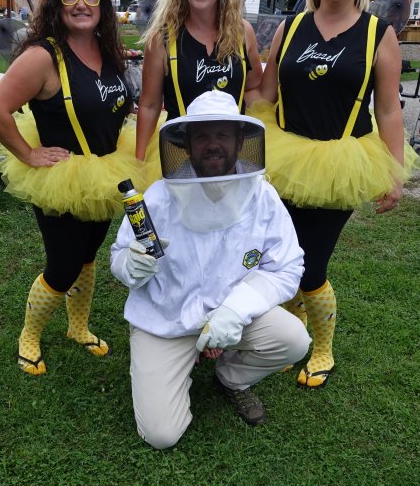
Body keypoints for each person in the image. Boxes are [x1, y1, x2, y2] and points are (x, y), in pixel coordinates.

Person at [255, 0, 420, 388]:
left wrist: (393, 171)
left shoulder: (377, 33)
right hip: (281, 158)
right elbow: (265, 94)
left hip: (339, 164)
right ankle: (292, 336)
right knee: (277, 259)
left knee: (310, 264)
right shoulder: (290, 28)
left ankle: (323, 347)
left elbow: (388, 110)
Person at [110, 91, 310, 449]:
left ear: (238, 141)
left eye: (222, 135)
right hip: (165, 319)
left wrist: (234, 311)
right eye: (202, 136)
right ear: (186, 145)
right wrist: (130, 264)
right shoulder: (157, 196)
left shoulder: (263, 197)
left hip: (233, 314)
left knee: (293, 339)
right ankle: (172, 366)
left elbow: (285, 267)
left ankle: (231, 377)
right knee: (161, 435)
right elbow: (119, 255)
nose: (213, 145)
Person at [0, 0, 136, 376]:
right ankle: (29, 334)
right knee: (63, 266)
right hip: (63, 179)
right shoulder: (41, 55)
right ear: (57, 2)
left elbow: (111, 102)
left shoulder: (108, 51)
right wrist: (28, 154)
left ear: (103, 4)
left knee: (87, 256)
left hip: (104, 171)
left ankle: (78, 327)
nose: (82, 4)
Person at [135, 0, 263, 162]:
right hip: (180, 157)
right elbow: (149, 105)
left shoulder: (244, 33)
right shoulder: (161, 39)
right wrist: (139, 162)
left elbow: (252, 88)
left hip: (232, 158)